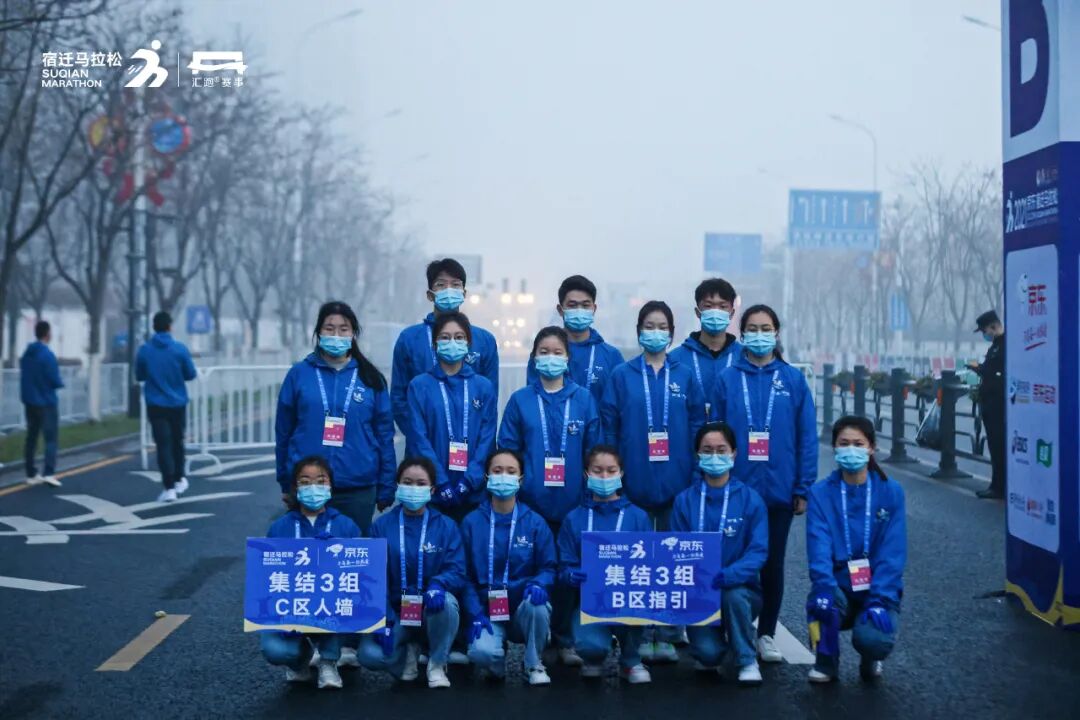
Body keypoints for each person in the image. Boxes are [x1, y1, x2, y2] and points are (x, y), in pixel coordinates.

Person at [600, 300, 705, 662]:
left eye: (662, 326)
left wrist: (695, 474)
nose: (655, 332)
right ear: (639, 331)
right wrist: (613, 478)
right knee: (640, 562)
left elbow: (697, 427)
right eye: (649, 326)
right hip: (634, 483)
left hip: (678, 482)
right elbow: (609, 428)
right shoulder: (622, 375)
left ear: (672, 333)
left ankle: (672, 631)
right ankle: (641, 633)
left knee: (673, 559)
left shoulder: (685, 375)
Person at [712, 304, 817, 664]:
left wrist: (803, 487)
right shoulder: (727, 379)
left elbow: (806, 437)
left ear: (776, 333)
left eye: (766, 328)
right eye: (752, 329)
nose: (759, 335)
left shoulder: (793, 380)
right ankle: (730, 627)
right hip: (735, 490)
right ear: (742, 335)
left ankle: (766, 633)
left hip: (779, 490)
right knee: (734, 560)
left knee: (772, 564)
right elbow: (714, 435)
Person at [498, 326, 601, 666]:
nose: (550, 358)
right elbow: (508, 452)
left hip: (574, 505)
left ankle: (565, 639)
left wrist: (590, 496)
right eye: (544, 352)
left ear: (568, 359)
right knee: (535, 572)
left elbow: (594, 453)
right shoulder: (521, 401)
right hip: (531, 507)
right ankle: (535, 637)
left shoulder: (584, 400)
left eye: (557, 352)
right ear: (533, 357)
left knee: (570, 574)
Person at [275, 301, 396, 536]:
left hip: (358, 487)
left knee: (351, 554)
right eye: (329, 328)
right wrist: (285, 480)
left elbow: (384, 435)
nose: (336, 335)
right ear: (319, 332)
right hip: (309, 486)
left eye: (343, 329)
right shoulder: (299, 375)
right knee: (308, 553)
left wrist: (386, 484)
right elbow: (283, 432)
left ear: (353, 334)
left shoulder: (370, 378)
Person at [805, 416, 906, 684]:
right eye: (844, 443)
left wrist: (880, 598)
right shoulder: (820, 493)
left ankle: (870, 655)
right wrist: (823, 588)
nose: (851, 449)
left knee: (874, 639)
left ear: (872, 447)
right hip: (839, 585)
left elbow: (892, 554)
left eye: (858, 444)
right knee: (820, 605)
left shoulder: (891, 491)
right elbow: (818, 548)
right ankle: (826, 662)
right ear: (834, 448)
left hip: (877, 587)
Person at [671, 422, 768, 684]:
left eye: (721, 450)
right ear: (698, 455)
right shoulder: (684, 501)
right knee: (708, 656)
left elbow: (758, 552)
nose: (714, 456)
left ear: (734, 453)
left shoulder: (751, 499)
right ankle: (721, 642)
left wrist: (728, 575)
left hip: (740, 589)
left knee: (733, 596)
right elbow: (676, 550)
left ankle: (747, 659)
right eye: (707, 450)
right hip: (699, 593)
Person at [358, 457, 467, 689]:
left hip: (431, 609)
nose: (414, 488)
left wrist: (439, 584)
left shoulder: (446, 526)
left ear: (432, 490)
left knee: (447, 604)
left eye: (421, 483)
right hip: (397, 612)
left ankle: (437, 662)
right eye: (407, 482)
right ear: (398, 485)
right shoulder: (381, 526)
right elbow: (372, 579)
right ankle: (407, 653)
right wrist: (386, 619)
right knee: (370, 655)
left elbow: (457, 569)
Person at [261, 455, 361, 690]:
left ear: (331, 486)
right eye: (305, 482)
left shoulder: (346, 526)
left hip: (330, 608)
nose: (313, 487)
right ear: (295, 488)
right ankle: (298, 660)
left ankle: (328, 661)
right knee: (275, 649)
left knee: (338, 599)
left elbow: (362, 575)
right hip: (291, 609)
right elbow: (265, 578)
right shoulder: (280, 527)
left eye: (320, 480)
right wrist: (279, 618)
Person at [557, 445, 652, 683]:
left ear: (621, 473)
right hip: (590, 602)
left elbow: (652, 563)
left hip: (628, 600)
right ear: (586, 474)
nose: (604, 476)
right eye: (597, 471)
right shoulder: (574, 518)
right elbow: (564, 565)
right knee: (591, 647)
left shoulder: (638, 517)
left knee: (638, 606)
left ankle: (631, 660)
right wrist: (570, 575)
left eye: (611, 470)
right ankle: (593, 658)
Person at [461, 449, 557, 685]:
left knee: (538, 606)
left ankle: (533, 663)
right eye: (497, 470)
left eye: (511, 471)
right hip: (487, 610)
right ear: (487, 477)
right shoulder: (471, 522)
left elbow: (548, 567)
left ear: (521, 479)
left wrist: (539, 584)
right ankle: (495, 663)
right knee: (481, 652)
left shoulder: (535, 522)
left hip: (523, 608)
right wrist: (474, 613)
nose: (504, 476)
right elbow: (463, 575)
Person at [404, 311, 497, 522]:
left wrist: (470, 481)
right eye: (445, 337)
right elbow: (418, 438)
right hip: (431, 491)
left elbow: (487, 438)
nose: (452, 342)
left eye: (459, 337)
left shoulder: (483, 387)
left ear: (468, 343)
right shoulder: (419, 386)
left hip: (474, 494)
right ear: (435, 344)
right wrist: (440, 481)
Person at [391, 258, 500, 434]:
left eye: (455, 285)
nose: (449, 290)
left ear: (464, 293)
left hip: (470, 441)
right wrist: (419, 437)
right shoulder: (409, 339)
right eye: (441, 285)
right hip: (423, 442)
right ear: (430, 295)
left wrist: (476, 441)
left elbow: (490, 400)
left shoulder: (484, 340)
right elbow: (399, 398)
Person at [525, 275, 625, 402]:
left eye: (585, 305)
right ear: (560, 310)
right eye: (572, 305)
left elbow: (620, 401)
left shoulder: (611, 356)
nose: (579, 310)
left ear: (594, 309)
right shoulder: (544, 355)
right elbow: (533, 400)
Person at [136, 311, 197, 503]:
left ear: (154, 327)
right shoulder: (180, 349)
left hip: (156, 404)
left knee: (163, 445)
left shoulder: (144, 351)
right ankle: (180, 478)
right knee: (177, 441)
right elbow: (190, 374)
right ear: (170, 327)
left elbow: (139, 375)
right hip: (178, 403)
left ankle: (169, 487)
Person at [669, 278, 743, 421]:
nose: (715, 312)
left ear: (732, 313)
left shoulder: (745, 357)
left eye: (722, 306)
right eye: (708, 306)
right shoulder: (675, 359)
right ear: (698, 312)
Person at [20, 320, 64, 487]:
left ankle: (30, 473)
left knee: (31, 437)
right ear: (47, 334)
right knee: (50, 438)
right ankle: (49, 473)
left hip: (29, 401)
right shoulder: (47, 355)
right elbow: (54, 379)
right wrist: (60, 383)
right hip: (46, 401)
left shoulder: (27, 354)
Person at [968, 310, 1005, 499]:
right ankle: (996, 485)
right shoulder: (995, 346)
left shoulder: (1006, 345)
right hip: (990, 404)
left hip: (999, 405)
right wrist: (979, 369)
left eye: (984, 331)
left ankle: (999, 487)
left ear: (994, 326)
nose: (984, 334)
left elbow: (1000, 374)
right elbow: (991, 371)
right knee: (994, 446)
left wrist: (983, 370)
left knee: (999, 447)